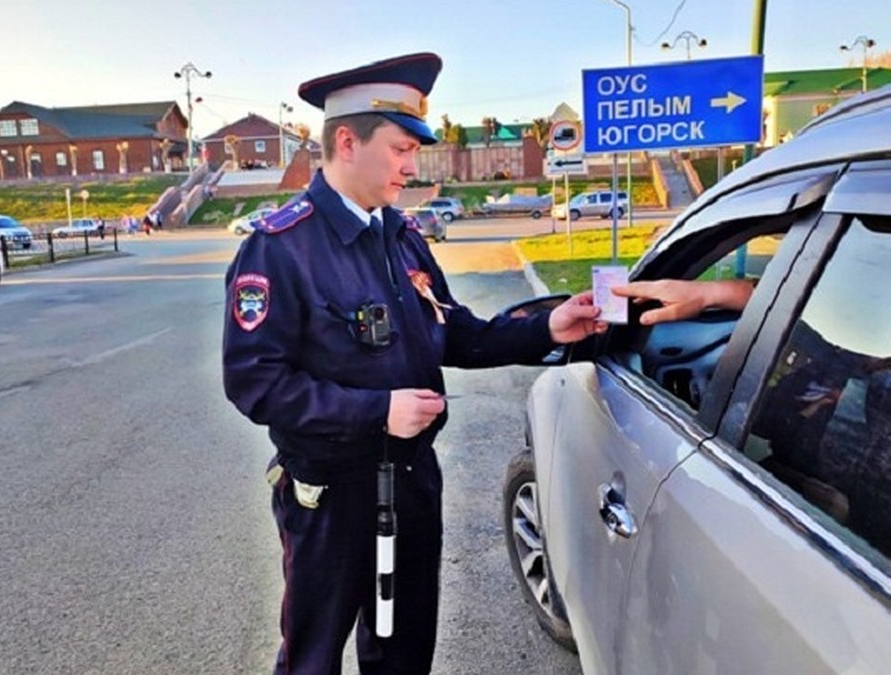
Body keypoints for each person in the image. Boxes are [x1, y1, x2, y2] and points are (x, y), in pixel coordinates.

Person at [221, 52, 607, 674]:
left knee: (403, 652)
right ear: (347, 141)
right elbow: (255, 383)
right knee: (312, 655)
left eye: (413, 150)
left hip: (410, 482)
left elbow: (455, 334)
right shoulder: (281, 249)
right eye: (400, 148)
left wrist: (547, 327)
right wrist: (377, 412)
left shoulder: (399, 234)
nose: (411, 164)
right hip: (331, 492)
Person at [616, 258, 891, 585]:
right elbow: (771, 399)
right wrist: (716, 292)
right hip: (746, 521)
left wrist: (849, 518)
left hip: (836, 577)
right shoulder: (845, 371)